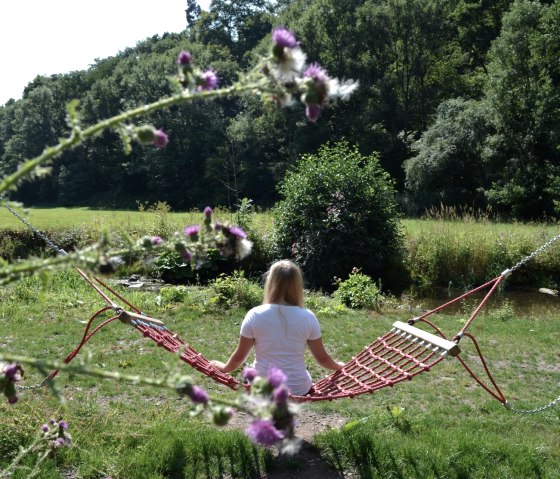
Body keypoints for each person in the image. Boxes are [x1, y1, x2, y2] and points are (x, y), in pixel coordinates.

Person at [210, 260, 344, 396]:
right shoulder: (308, 317)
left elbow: (239, 357)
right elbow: (322, 359)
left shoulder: (255, 314)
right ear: (297, 285)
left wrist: (224, 368)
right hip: (298, 389)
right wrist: (340, 366)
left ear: (270, 282)